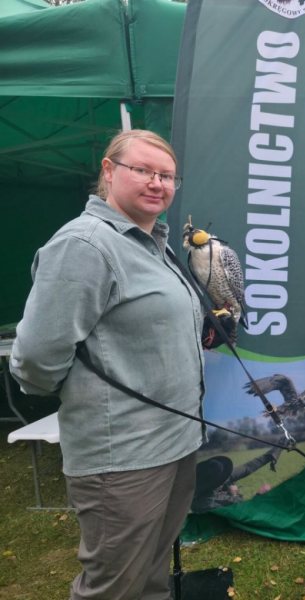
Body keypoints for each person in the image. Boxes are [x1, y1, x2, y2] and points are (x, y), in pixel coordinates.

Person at [10, 130, 205, 600]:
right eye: (143, 170)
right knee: (114, 589)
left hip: (174, 444)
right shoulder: (85, 246)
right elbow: (35, 358)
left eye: (167, 176)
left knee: (151, 579)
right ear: (109, 170)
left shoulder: (153, 242)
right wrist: (86, 398)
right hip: (124, 458)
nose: (157, 183)